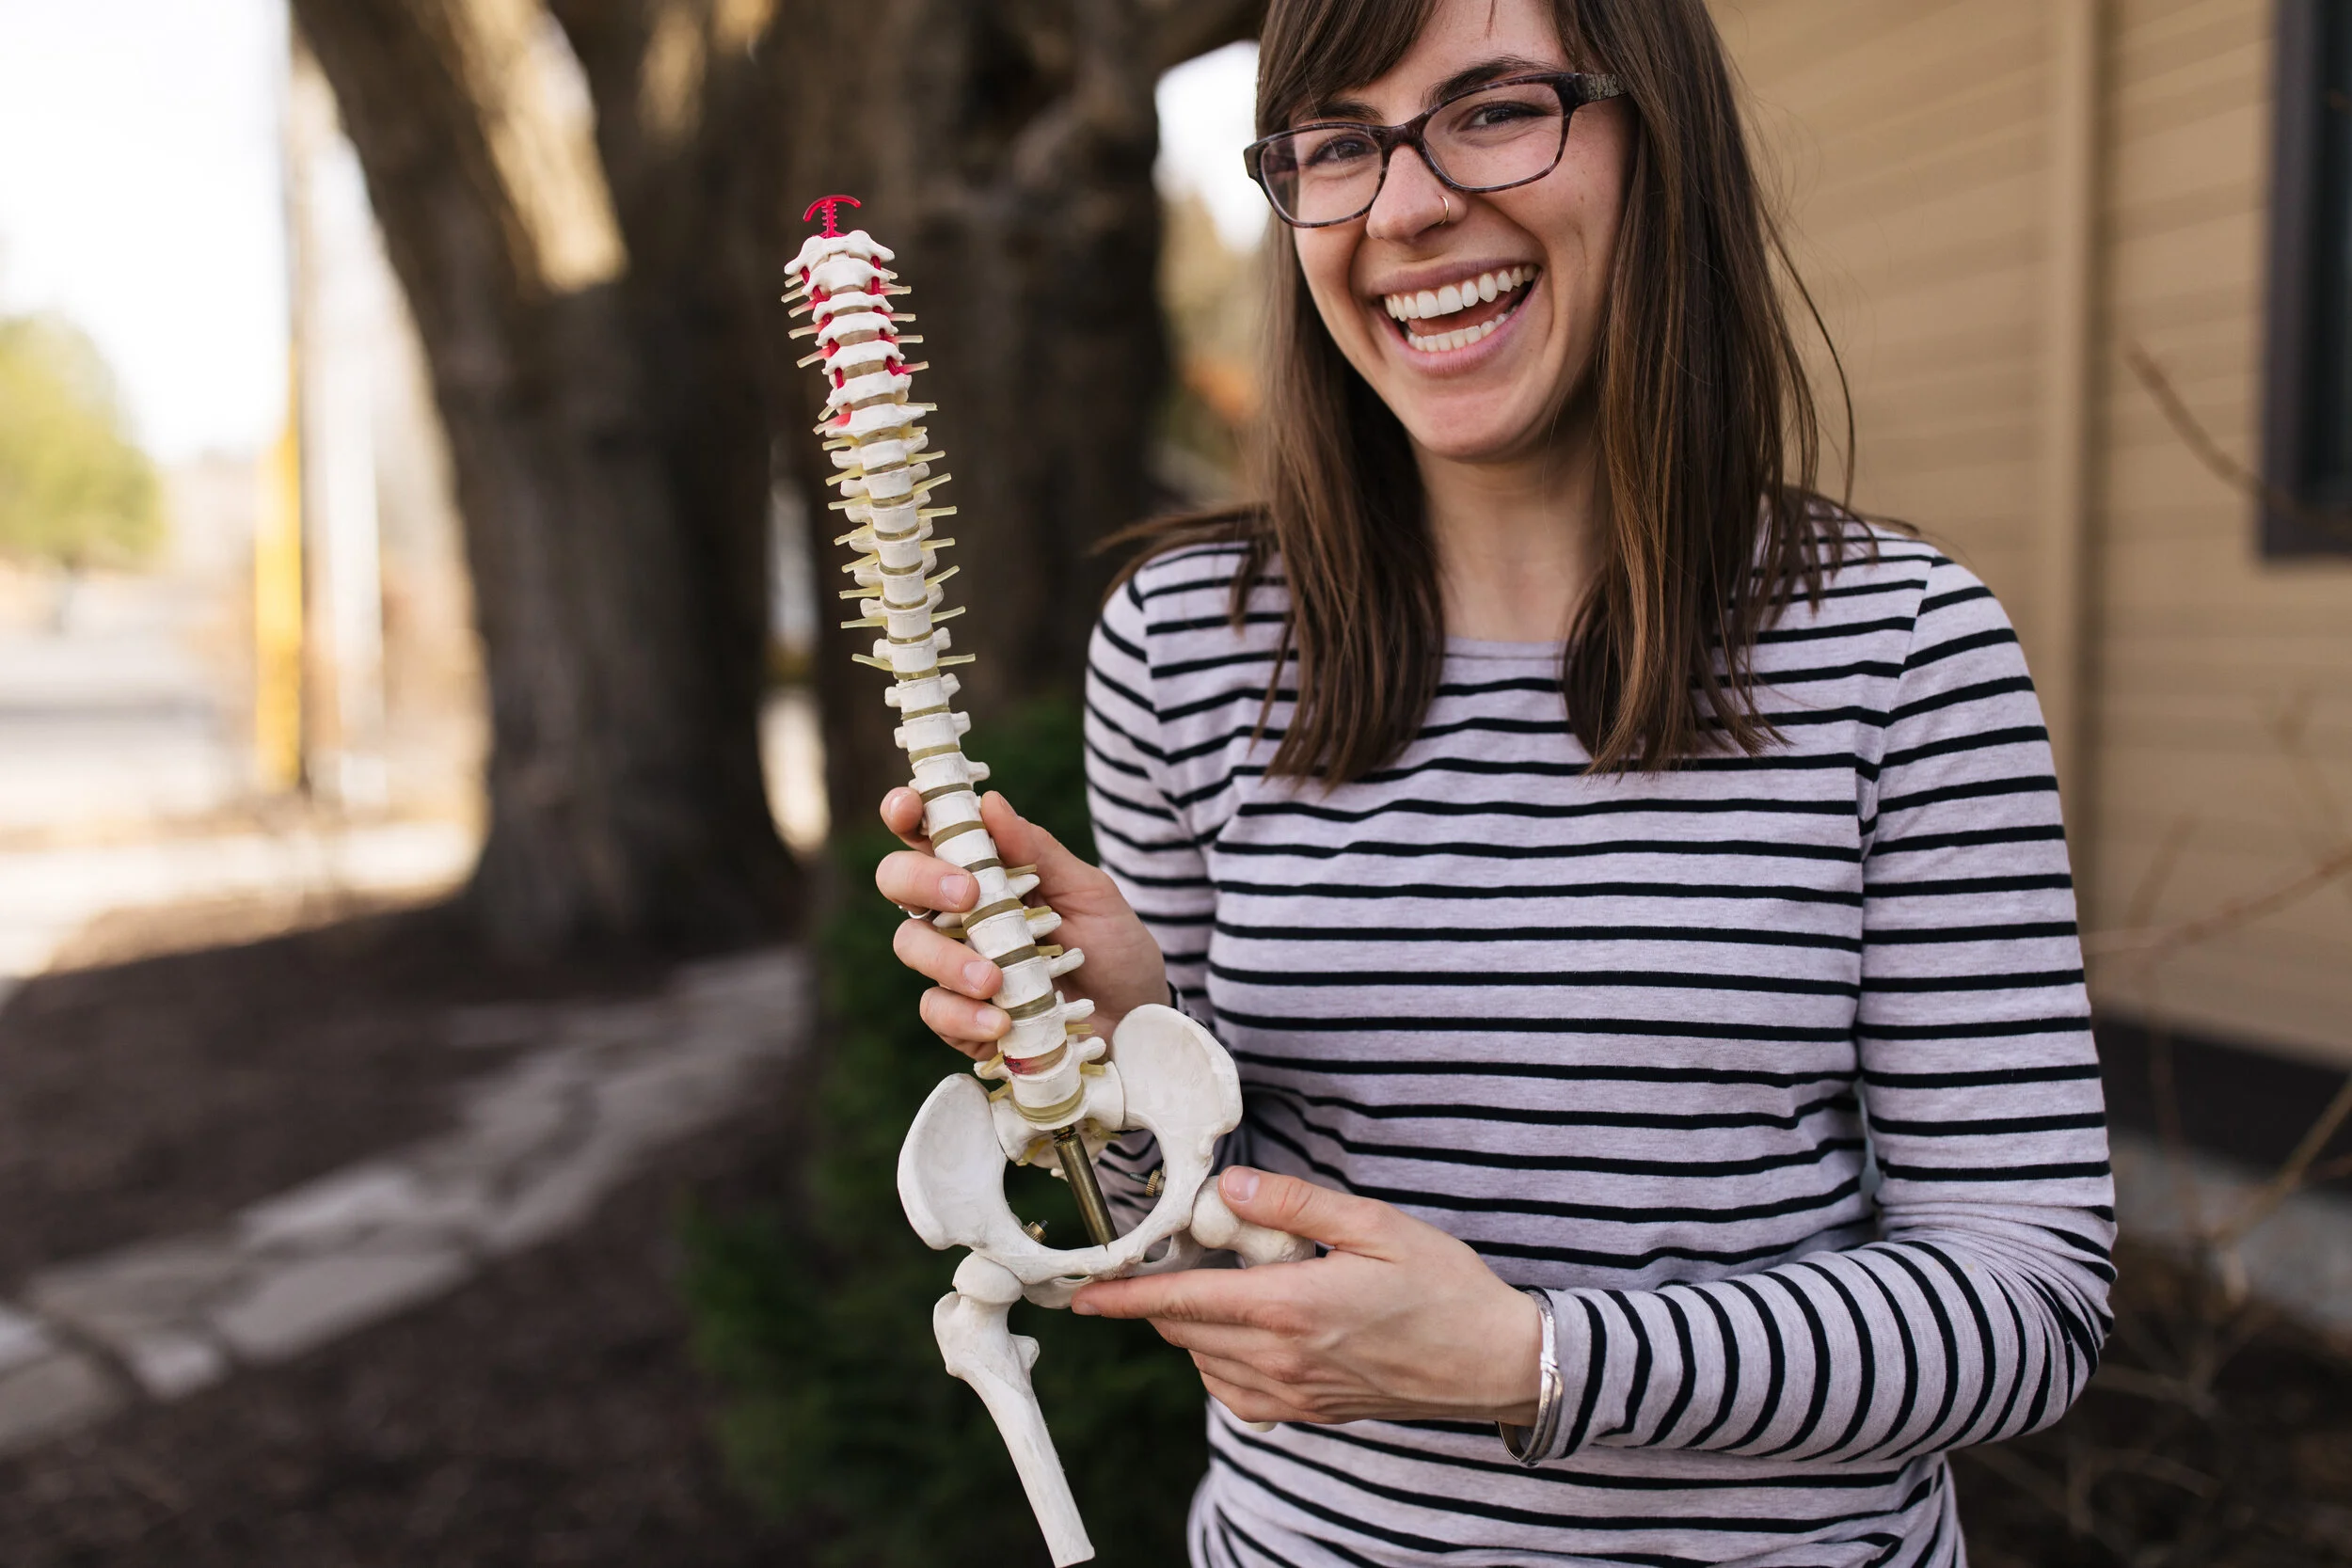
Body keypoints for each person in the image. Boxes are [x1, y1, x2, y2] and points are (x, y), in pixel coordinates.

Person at [875, 0, 2113, 1561]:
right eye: (1339, 141)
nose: (1405, 206)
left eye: (1494, 108)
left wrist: (1530, 1359)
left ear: (1655, 141)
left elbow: (2029, 1299)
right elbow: (1198, 1244)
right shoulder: (1187, 647)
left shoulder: (1903, 649)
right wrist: (1116, 1041)